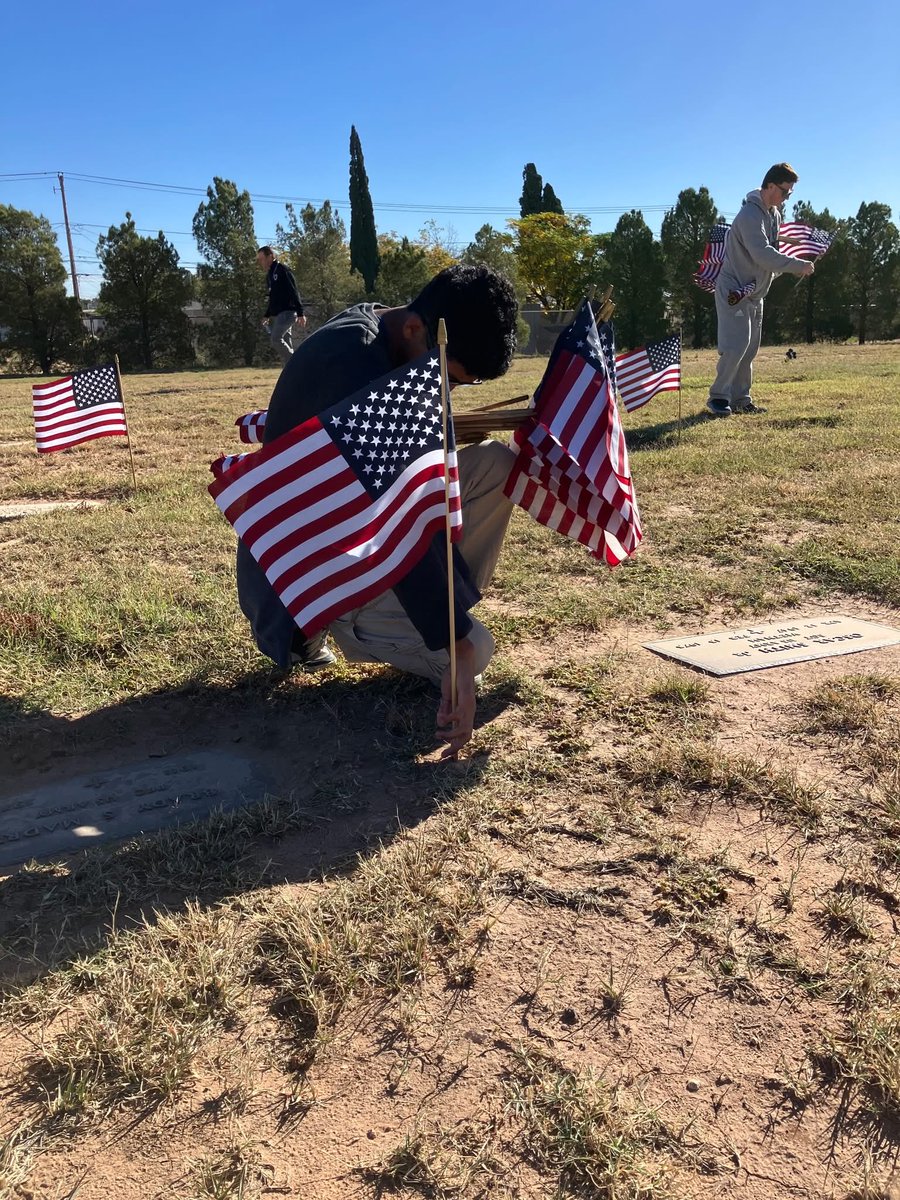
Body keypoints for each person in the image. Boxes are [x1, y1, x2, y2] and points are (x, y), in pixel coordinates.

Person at [237, 264, 520, 756]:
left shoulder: (382, 332)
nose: (445, 393)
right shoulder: (351, 373)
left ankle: (422, 620)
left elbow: (424, 481)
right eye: (448, 378)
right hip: (311, 589)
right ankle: (352, 632)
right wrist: (456, 644)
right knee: (478, 652)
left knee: (498, 464)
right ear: (415, 329)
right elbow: (400, 516)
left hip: (353, 543)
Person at [706, 164, 815, 417]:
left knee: (750, 348)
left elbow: (772, 250)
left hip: (756, 291)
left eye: (790, 193)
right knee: (736, 345)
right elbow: (763, 254)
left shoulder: (773, 214)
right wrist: (797, 265)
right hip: (735, 290)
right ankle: (718, 398)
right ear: (770, 186)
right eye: (785, 192)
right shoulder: (749, 216)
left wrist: (787, 265)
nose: (787, 198)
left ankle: (742, 399)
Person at [257, 245, 307, 366]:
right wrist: (267, 315)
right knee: (285, 342)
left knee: (276, 339)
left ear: (270, 256)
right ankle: (292, 376)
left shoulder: (282, 270)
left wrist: (300, 313)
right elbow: (273, 298)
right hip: (280, 314)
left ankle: (298, 364)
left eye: (262, 259)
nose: (260, 262)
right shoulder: (269, 276)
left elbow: (294, 290)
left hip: (288, 313)